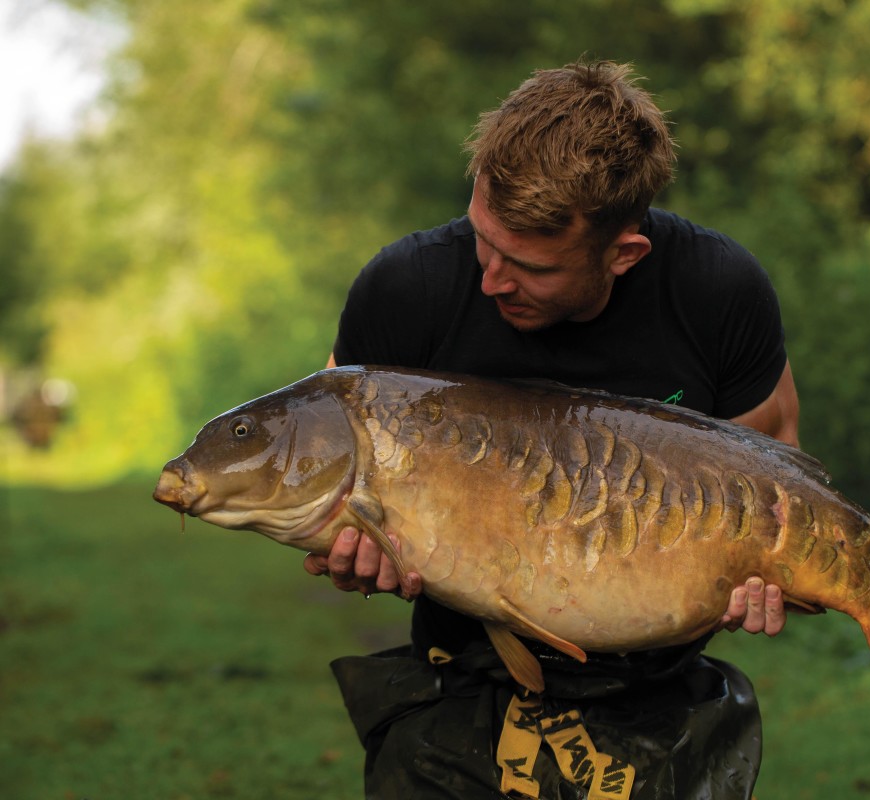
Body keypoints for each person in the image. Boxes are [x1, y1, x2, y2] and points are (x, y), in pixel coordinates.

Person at [304, 60, 797, 800]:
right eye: (483, 240)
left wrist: (768, 575)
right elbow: (324, 458)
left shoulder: (717, 294)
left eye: (530, 266)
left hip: (657, 684)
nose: (492, 280)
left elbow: (778, 470)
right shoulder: (406, 290)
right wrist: (350, 547)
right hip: (459, 673)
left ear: (622, 254)